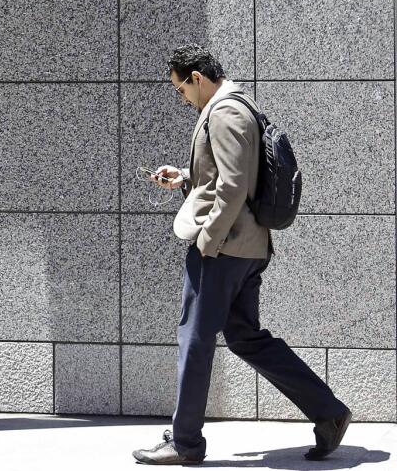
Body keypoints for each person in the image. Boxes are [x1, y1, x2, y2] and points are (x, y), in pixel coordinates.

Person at [131, 45, 352, 466]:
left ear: (197, 78)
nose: (181, 98)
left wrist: (207, 241)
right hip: (247, 246)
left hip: (225, 248)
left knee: (194, 339)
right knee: (245, 337)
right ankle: (329, 411)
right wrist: (186, 179)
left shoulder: (224, 111)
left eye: (180, 89)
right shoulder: (239, 106)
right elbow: (227, 179)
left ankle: (185, 442)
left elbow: (233, 188)